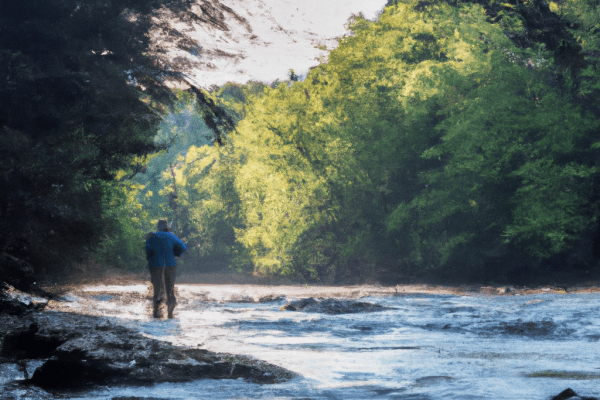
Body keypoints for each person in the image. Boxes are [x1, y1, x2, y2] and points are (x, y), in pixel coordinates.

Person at [145, 219, 187, 318]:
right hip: (170, 264)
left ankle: (156, 310)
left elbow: (148, 249)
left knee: (157, 288)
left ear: (158, 227)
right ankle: (170, 312)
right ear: (166, 226)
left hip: (155, 264)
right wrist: (176, 253)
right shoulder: (171, 235)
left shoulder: (152, 236)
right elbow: (184, 247)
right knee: (170, 288)